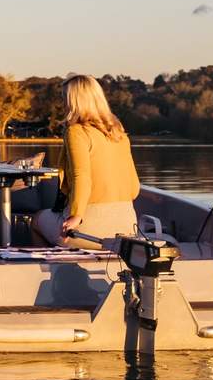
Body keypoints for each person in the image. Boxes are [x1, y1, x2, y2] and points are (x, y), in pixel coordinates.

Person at [34, 75, 140, 249]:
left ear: (74, 101)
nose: (63, 104)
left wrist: (76, 215)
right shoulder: (118, 132)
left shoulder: (76, 131)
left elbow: (80, 176)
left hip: (88, 231)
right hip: (127, 228)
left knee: (37, 220)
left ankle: (51, 271)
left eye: (65, 98)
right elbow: (134, 189)